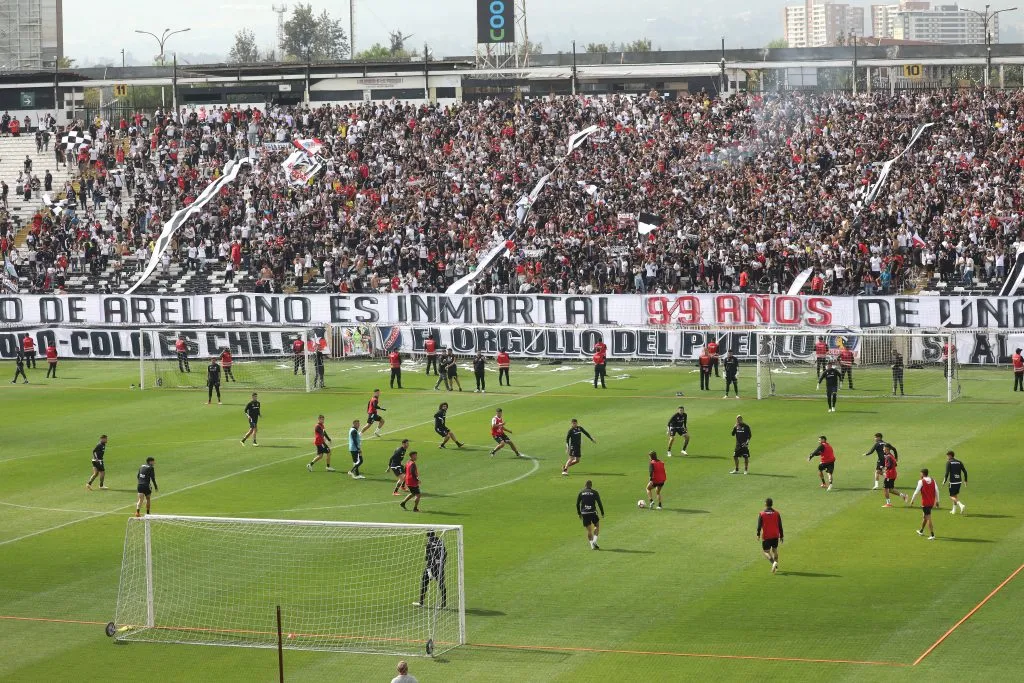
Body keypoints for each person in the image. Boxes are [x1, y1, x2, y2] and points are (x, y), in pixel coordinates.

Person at [412, 530, 447, 609]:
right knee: (441, 584)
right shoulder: (440, 541)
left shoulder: (428, 544)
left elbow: (428, 558)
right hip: (440, 566)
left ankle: (421, 602)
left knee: (424, 582)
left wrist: (429, 570)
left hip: (432, 567)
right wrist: (442, 564)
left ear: (428, 536)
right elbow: (445, 553)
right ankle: (444, 604)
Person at [909, 468, 940, 540]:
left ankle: (932, 535)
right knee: (925, 516)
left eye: (920, 473)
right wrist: (938, 501)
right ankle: (921, 531)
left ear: (922, 474)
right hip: (931, 502)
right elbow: (937, 491)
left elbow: (916, 491)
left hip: (925, 503)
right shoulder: (933, 480)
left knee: (928, 518)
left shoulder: (921, 481)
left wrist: (912, 500)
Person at [756, 497, 783, 574]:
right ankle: (776, 568)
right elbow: (780, 525)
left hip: (767, 536)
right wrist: (781, 535)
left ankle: (773, 563)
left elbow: (759, 525)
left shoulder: (762, 514)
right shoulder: (777, 513)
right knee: (775, 550)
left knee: (766, 552)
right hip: (775, 535)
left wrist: (758, 534)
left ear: (765, 504)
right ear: (772, 504)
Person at [576, 479, 605, 550]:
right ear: (591, 485)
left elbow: (577, 504)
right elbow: (599, 503)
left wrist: (579, 513)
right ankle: (595, 540)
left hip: (584, 513)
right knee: (597, 526)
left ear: (585, 485)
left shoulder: (581, 492)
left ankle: (592, 545)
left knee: (589, 530)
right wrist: (602, 512)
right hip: (592, 512)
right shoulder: (594, 492)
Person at [942, 450, 968, 515]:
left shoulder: (949, 462)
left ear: (950, 455)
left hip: (953, 482)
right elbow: (965, 471)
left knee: (951, 496)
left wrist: (944, 481)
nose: (947, 457)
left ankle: (961, 505)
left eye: (947, 456)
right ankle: (954, 510)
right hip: (959, 481)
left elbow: (947, 473)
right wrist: (965, 480)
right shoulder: (959, 462)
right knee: (955, 495)